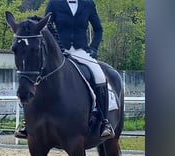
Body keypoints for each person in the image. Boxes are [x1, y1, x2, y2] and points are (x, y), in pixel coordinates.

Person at [15, 0, 114, 139]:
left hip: (81, 51)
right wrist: (57, 46)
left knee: (99, 76)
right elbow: (46, 26)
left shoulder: (88, 4)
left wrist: (93, 48)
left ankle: (104, 122)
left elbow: (98, 29)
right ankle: (28, 122)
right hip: (58, 51)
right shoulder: (54, 3)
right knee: (34, 75)